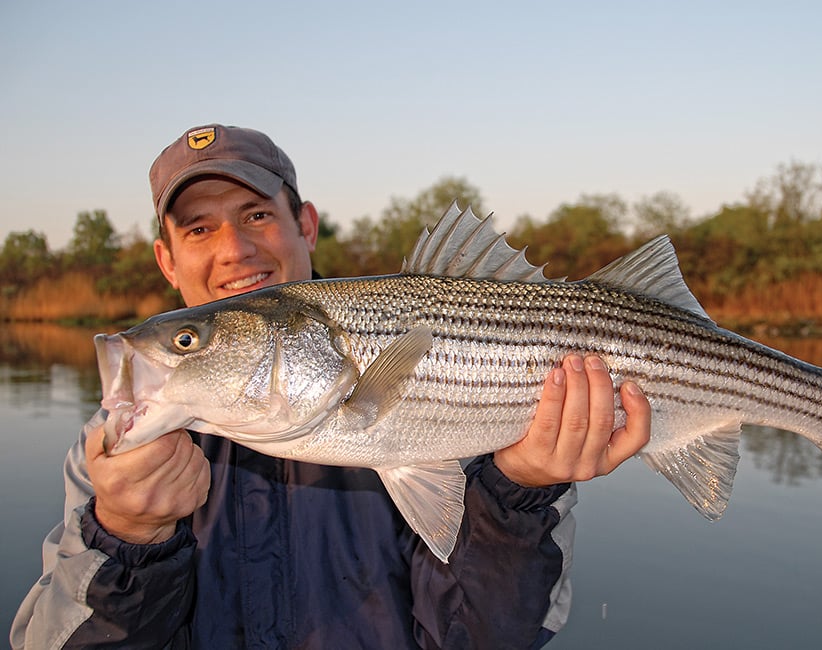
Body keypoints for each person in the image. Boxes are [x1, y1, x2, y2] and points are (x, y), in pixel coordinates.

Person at [11, 124, 651, 649]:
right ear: (166, 260)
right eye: (198, 228)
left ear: (306, 226)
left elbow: (484, 639)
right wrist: (124, 536)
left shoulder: (484, 439)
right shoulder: (119, 462)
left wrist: (518, 495)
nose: (234, 248)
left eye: (257, 214)